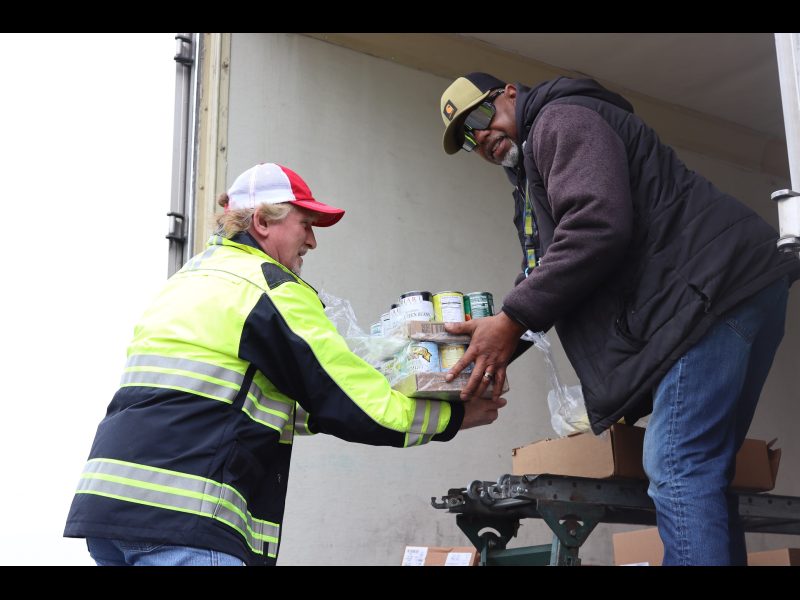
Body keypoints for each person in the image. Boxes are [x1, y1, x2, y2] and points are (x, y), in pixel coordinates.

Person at [64, 162, 506, 566]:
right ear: (261, 222)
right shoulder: (270, 288)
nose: (312, 240)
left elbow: (241, 400)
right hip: (185, 517)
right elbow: (353, 403)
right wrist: (454, 416)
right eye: (305, 224)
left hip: (111, 511)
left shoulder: (189, 279)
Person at [438, 72, 799, 565]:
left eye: (479, 117)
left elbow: (594, 227)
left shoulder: (557, 122)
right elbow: (548, 273)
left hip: (711, 294)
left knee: (676, 465)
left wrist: (511, 320)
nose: (479, 137)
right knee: (701, 469)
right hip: (735, 286)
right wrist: (496, 337)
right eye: (465, 140)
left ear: (510, 95)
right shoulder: (534, 169)